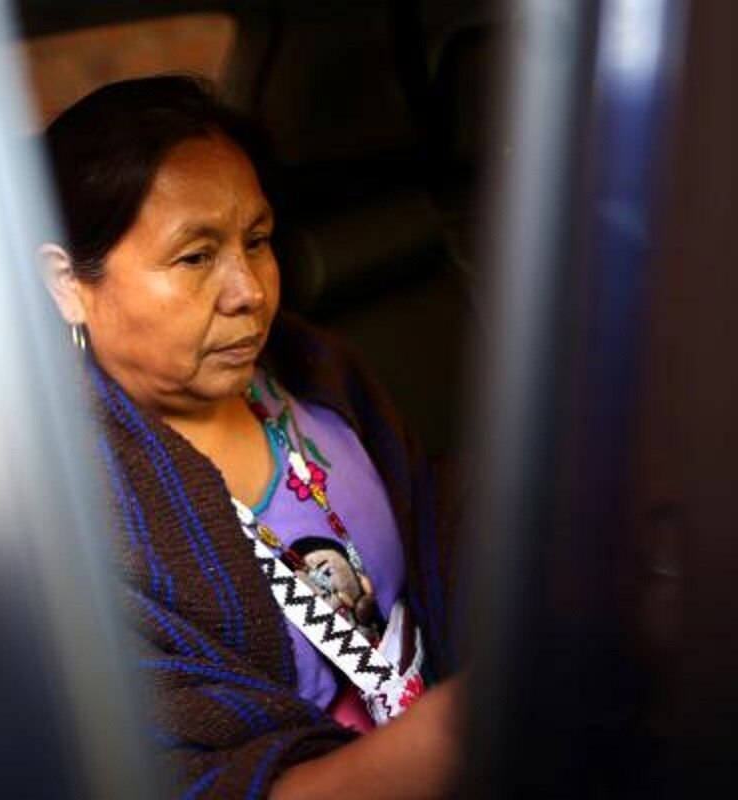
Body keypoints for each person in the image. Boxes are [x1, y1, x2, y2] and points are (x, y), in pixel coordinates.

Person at [40, 75, 461, 799]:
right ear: (69, 284)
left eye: (257, 240)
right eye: (196, 256)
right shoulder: (66, 514)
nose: (251, 291)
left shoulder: (315, 373)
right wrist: (445, 744)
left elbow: (436, 520)